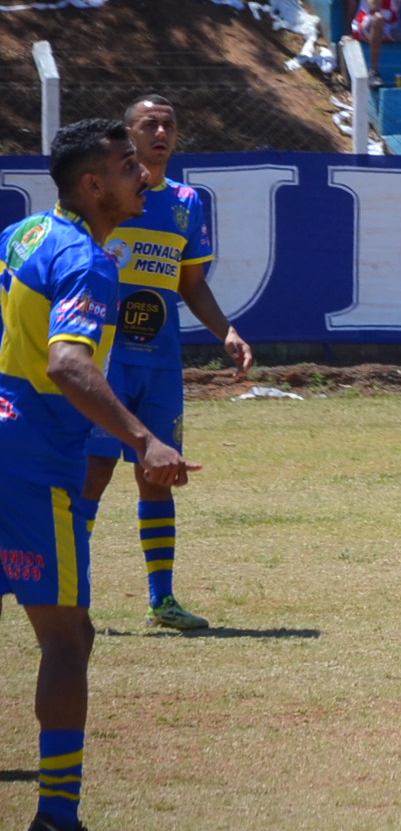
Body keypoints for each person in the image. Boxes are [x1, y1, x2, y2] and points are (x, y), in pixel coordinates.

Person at [0, 118, 197, 831]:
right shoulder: (87, 261)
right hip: (32, 458)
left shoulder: (21, 236)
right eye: (124, 165)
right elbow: (67, 363)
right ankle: (57, 816)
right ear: (93, 186)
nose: (142, 172)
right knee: (67, 636)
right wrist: (143, 440)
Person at [81, 95, 254, 634]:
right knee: (91, 476)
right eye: (149, 123)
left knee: (159, 475)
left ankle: (162, 600)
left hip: (160, 363)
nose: (161, 131)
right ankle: (70, 598)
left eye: (169, 125)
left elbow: (192, 285)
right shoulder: (104, 198)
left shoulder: (187, 202)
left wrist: (226, 330)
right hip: (107, 362)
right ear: (127, 134)